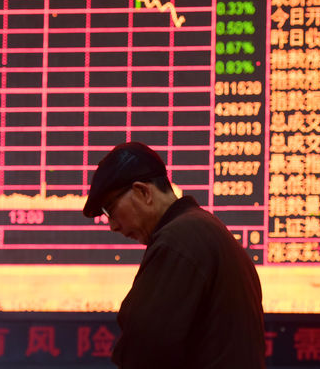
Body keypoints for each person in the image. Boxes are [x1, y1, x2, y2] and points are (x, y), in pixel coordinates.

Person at [83, 141, 266, 369]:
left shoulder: (178, 241)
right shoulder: (203, 228)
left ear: (143, 192)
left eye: (109, 209)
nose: (112, 226)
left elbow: (146, 348)